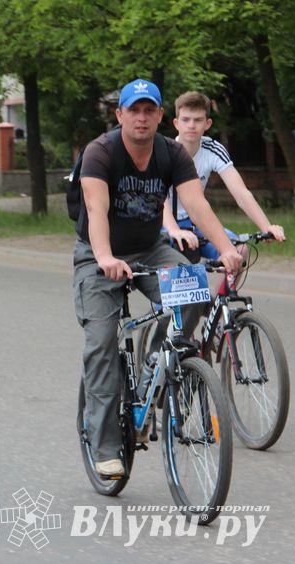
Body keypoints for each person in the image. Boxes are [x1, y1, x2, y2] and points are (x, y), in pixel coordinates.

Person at [73, 79, 243, 478]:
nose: (142, 117)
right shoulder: (100, 152)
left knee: (197, 288)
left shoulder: (170, 153)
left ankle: (156, 365)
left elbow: (196, 205)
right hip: (98, 255)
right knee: (101, 344)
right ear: (120, 115)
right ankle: (105, 446)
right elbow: (96, 210)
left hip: (150, 248)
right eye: (134, 109)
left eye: (150, 110)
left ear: (160, 116)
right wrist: (104, 257)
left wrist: (227, 249)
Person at [163, 91, 285, 258]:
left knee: (239, 251)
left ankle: (223, 286)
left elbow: (241, 193)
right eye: (186, 119)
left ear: (208, 124)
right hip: (163, 223)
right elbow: (159, 197)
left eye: (198, 120)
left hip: (195, 221)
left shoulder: (214, 150)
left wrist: (266, 227)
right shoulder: (163, 151)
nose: (191, 125)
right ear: (176, 123)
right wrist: (174, 230)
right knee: (173, 267)